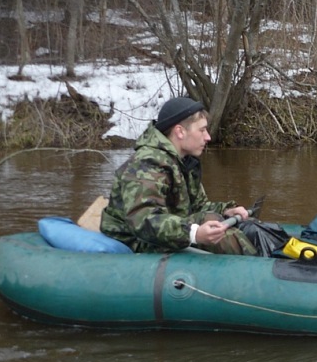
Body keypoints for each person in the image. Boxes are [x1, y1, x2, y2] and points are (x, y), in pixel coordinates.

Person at [100, 97, 258, 255]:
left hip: (171, 232)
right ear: (180, 132)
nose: (208, 137)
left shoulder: (185, 162)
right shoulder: (147, 164)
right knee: (216, 228)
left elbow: (198, 207)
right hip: (137, 241)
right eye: (202, 130)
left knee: (241, 225)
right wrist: (193, 233)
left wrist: (227, 210)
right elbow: (144, 220)